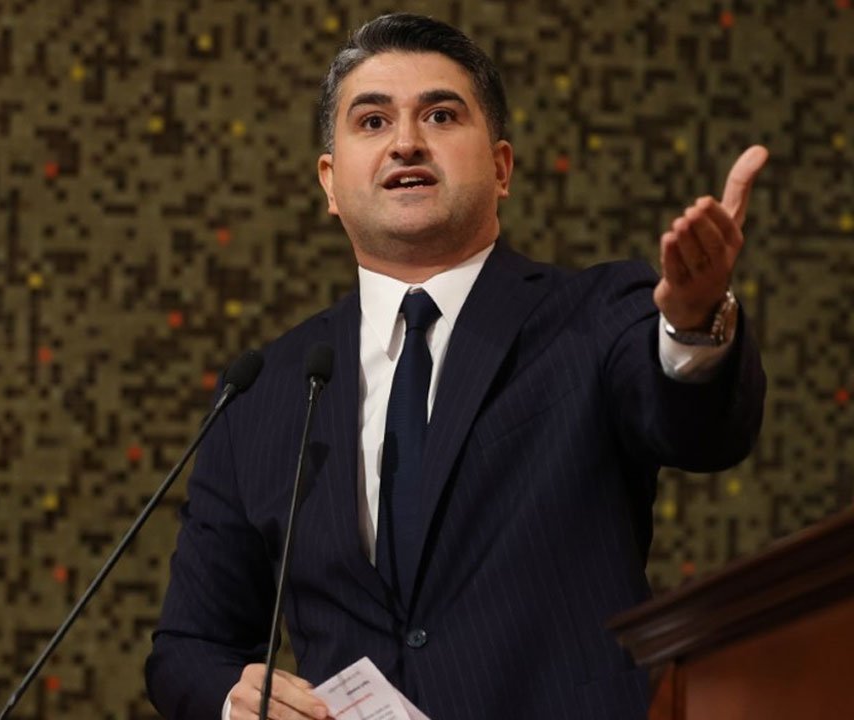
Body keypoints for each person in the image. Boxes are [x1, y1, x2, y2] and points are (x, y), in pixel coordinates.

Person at [146, 13, 767, 720]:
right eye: (372, 121)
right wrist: (238, 703)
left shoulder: (594, 315)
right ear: (329, 182)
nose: (406, 142)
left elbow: (702, 431)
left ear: (501, 168)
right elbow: (190, 649)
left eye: (440, 115)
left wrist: (693, 322)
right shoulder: (264, 392)